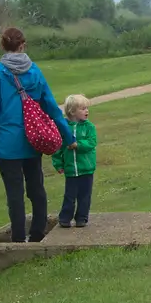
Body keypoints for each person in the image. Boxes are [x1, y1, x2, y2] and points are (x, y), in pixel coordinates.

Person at [0, 27, 74, 243]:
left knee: (14, 192)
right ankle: (38, 232)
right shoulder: (34, 71)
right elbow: (50, 105)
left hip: (6, 143)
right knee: (36, 187)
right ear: (23, 45)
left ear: (3, 46)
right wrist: (68, 137)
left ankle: (19, 237)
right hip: (34, 140)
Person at [52, 94, 97, 228]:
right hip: (71, 169)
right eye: (83, 109)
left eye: (87, 108)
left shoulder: (89, 127)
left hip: (86, 168)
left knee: (85, 195)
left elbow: (91, 143)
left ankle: (82, 218)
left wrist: (78, 145)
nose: (86, 111)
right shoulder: (64, 127)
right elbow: (57, 148)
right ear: (72, 112)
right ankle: (65, 218)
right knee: (70, 195)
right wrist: (58, 164)